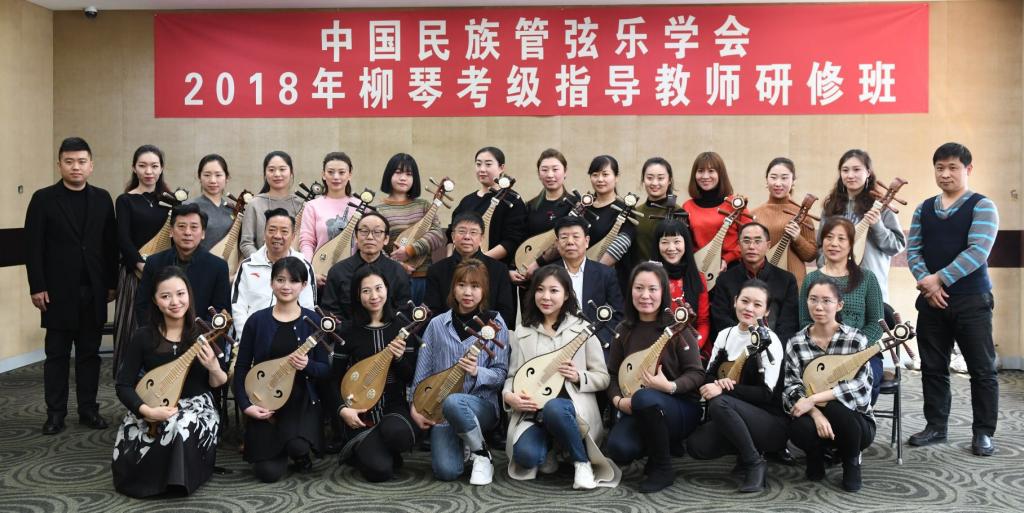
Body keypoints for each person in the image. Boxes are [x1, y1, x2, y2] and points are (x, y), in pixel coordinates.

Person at [906, 143, 999, 456]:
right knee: (933, 367)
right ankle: (936, 426)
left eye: (952, 167)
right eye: (940, 168)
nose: (945, 174)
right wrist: (929, 287)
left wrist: (939, 279)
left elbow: (978, 251)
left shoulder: (982, 206)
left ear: (968, 169)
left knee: (981, 370)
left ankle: (983, 433)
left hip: (971, 301)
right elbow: (913, 251)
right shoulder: (923, 209)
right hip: (931, 302)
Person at [25, 136, 117, 435]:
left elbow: (110, 245)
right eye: (69, 161)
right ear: (59, 165)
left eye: (81, 161)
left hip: (93, 290)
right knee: (57, 355)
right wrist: (37, 286)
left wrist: (111, 283)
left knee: (90, 355)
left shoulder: (102, 198)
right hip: (56, 292)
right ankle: (55, 414)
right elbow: (33, 247)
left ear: (91, 165)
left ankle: (89, 410)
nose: (75, 167)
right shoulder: (43, 199)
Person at [502, 266, 619, 489]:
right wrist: (509, 396)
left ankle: (582, 463)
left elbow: (603, 378)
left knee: (555, 408)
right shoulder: (523, 331)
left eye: (554, 290)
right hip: (534, 413)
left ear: (566, 295)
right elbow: (513, 376)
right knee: (527, 457)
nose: (546, 297)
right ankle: (552, 448)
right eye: (540, 290)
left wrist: (578, 376)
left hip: (573, 413)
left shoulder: (583, 329)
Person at [112, 267, 226, 497]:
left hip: (197, 406)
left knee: (179, 426)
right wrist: (147, 411)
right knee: (134, 437)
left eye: (181, 294)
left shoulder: (203, 333)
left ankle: (176, 481)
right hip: (153, 402)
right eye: (165, 296)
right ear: (155, 301)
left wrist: (214, 367)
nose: (175, 302)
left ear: (189, 295)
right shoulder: (143, 336)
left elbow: (219, 383)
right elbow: (123, 385)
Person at [606, 263, 704, 493]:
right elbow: (612, 375)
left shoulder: (677, 327)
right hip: (638, 407)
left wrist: (669, 386)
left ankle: (663, 468)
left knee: (645, 397)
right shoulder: (624, 329)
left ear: (663, 292)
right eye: (639, 288)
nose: (645, 295)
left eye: (652, 289)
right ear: (631, 291)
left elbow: (697, 374)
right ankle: (661, 445)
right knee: (619, 448)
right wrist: (619, 401)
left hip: (680, 408)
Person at [411, 259, 510, 485]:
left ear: (484, 290)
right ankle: (467, 442)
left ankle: (481, 455)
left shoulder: (495, 323)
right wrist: (414, 406)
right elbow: (423, 370)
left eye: (475, 286)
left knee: (455, 402)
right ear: (453, 288)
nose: (467, 292)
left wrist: (477, 371)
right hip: (441, 410)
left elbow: (501, 373)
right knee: (446, 471)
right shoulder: (437, 324)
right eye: (461, 285)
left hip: (481, 406)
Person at [232, 257, 330, 482]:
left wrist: (308, 365)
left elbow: (325, 370)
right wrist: (246, 406)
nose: (286, 286)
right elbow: (242, 366)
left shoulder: (313, 320)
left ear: (303, 285)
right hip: (264, 400)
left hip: (300, 401)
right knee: (268, 474)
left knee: (297, 447)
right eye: (280, 280)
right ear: (271, 283)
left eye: (294, 281)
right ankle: (278, 444)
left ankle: (296, 449)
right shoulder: (256, 321)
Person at [687, 279, 786, 493]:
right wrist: (717, 383)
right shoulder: (725, 335)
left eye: (757, 304)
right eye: (745, 301)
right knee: (697, 446)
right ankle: (743, 451)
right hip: (733, 413)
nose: (749, 308)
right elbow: (708, 376)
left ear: (767, 311)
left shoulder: (770, 341)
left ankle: (754, 462)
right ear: (735, 301)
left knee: (720, 402)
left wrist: (724, 388)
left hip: (770, 422)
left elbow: (766, 394)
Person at [784, 276, 875, 492]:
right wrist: (816, 413)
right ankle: (815, 456)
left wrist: (815, 398)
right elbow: (791, 388)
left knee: (836, 408)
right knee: (798, 425)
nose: (819, 307)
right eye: (813, 299)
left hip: (854, 423)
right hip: (813, 418)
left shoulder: (856, 340)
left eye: (826, 301)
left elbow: (862, 387)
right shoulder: (796, 342)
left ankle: (851, 463)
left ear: (839, 305)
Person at [334, 267, 420, 482]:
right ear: (357, 295)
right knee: (380, 471)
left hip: (393, 405)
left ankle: (372, 446)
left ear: (387, 290)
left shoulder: (402, 327)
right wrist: (343, 410)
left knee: (401, 436)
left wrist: (399, 359)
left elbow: (410, 377)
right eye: (366, 291)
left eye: (378, 288)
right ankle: (368, 448)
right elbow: (333, 378)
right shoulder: (348, 330)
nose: (374, 296)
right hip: (359, 411)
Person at [800, 217, 885, 403]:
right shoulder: (811, 279)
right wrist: (828, 349)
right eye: (829, 237)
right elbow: (805, 322)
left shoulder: (867, 278)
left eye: (841, 238)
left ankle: (859, 420)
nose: (834, 243)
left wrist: (853, 350)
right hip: (820, 353)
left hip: (862, 353)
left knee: (866, 382)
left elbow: (877, 324)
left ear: (851, 244)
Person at [112, 144, 172, 373]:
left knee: (164, 327)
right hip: (133, 274)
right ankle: (129, 379)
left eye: (154, 166)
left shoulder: (169, 201)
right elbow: (123, 239)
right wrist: (142, 266)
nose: (149, 171)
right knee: (133, 328)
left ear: (161, 168)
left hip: (164, 276)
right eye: (143, 166)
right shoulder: (125, 200)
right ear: (134, 168)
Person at [820, 149, 905, 302]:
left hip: (870, 288)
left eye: (856, 169)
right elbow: (820, 245)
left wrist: (878, 226)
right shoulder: (831, 207)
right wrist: (826, 265)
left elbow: (896, 246)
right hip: (834, 288)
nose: (850, 175)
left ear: (868, 172)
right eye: (845, 170)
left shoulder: (881, 206)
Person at [134, 203, 231, 327]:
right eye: (181, 226)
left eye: (194, 227)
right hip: (160, 333)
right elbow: (143, 305)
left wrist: (197, 333)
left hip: (202, 335)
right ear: (171, 231)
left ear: (203, 233)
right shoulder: (154, 263)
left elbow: (219, 310)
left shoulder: (218, 267)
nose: (187, 232)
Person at [232, 208, 316, 340]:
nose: (277, 235)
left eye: (284, 231)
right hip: (252, 336)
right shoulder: (248, 266)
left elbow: (308, 307)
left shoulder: (304, 266)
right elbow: (238, 307)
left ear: (293, 236)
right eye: (272, 230)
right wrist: (247, 338)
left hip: (290, 339)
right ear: (264, 233)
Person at [711, 222, 799, 344]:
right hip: (735, 346)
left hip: (775, 347)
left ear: (768, 245)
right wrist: (745, 342)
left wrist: (773, 347)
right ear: (739, 244)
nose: (751, 246)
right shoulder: (725, 279)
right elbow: (721, 318)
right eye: (746, 241)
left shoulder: (786, 280)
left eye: (758, 241)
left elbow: (789, 323)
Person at [374, 153, 445, 305]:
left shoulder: (423, 206)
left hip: (425, 279)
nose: (403, 178)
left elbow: (437, 235)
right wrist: (398, 266)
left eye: (408, 174)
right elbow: (375, 246)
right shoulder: (378, 210)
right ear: (389, 175)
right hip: (393, 279)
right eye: (398, 172)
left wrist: (410, 250)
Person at [424, 212, 517, 326]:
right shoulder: (437, 270)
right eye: (462, 231)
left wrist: (486, 331)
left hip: (487, 332)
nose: (467, 237)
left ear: (481, 238)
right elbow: (432, 311)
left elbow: (505, 312)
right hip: (446, 331)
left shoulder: (499, 269)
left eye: (473, 232)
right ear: (453, 236)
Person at [320, 211, 412, 327]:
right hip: (347, 335)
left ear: (386, 239)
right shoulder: (338, 271)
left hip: (390, 334)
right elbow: (330, 312)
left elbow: (404, 311)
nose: (370, 237)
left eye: (377, 232)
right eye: (364, 231)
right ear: (356, 237)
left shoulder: (397, 271)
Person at [551, 216, 624, 349]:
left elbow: (617, 314)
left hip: (597, 344)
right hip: (555, 344)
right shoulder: (546, 274)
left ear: (586, 241)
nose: (570, 242)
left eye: (576, 236)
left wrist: (596, 342)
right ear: (557, 243)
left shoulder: (606, 274)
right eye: (564, 237)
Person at [449, 146, 527, 268]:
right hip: (460, 267)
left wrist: (479, 260)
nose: (482, 169)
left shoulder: (512, 200)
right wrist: (451, 260)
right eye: (478, 164)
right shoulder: (467, 200)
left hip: (495, 268)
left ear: (501, 168)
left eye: (488, 164)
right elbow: (451, 234)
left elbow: (512, 240)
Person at [751, 157, 817, 286]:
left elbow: (811, 256)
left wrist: (798, 238)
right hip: (761, 283)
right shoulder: (754, 214)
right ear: (766, 180)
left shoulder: (802, 215)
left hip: (794, 283)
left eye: (784, 178)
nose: (778, 183)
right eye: (773, 177)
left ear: (793, 181)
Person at [511, 148, 573, 284]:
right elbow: (521, 239)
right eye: (544, 170)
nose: (550, 175)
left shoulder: (575, 206)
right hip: (529, 275)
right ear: (539, 174)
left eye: (555, 169)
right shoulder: (530, 206)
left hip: (560, 276)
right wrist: (514, 268)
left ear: (565, 172)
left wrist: (538, 263)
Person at [299, 151, 359, 287]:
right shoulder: (312, 206)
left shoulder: (360, 206)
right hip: (321, 274)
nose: (336, 177)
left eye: (341, 172)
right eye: (331, 172)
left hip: (352, 276)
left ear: (349, 175)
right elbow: (307, 242)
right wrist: (311, 272)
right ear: (323, 174)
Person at [681, 152, 748, 274]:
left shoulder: (734, 204)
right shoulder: (687, 206)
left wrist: (727, 258)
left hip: (731, 268)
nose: (705, 176)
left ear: (720, 174)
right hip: (700, 270)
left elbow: (749, 238)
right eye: (700, 171)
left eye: (711, 171)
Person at [652, 218, 711, 347]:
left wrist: (694, 348)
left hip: (691, 346)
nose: (671, 248)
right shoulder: (648, 277)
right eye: (665, 242)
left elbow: (703, 322)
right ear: (657, 245)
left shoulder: (698, 278)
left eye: (677, 241)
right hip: (655, 347)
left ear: (686, 244)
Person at [239, 151, 304, 259]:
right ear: (265, 174)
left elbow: (306, 242)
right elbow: (246, 243)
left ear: (291, 172)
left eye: (282, 169)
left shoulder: (301, 205)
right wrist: (263, 262)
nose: (277, 174)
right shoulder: (255, 204)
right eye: (271, 170)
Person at [625, 157, 682, 270]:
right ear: (643, 180)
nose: (655, 183)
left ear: (669, 180)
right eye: (649, 178)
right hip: (641, 275)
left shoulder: (678, 212)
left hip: (670, 275)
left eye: (660, 178)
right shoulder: (635, 212)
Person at [585, 155, 635, 267]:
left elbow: (621, 244)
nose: (600, 179)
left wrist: (592, 272)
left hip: (609, 273)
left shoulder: (625, 209)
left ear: (616, 177)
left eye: (605, 174)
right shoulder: (584, 206)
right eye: (595, 175)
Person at [185, 154, 234, 251]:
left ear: (227, 178)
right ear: (199, 177)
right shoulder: (188, 207)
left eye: (218, 175)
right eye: (207, 175)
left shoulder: (233, 210)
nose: (213, 180)